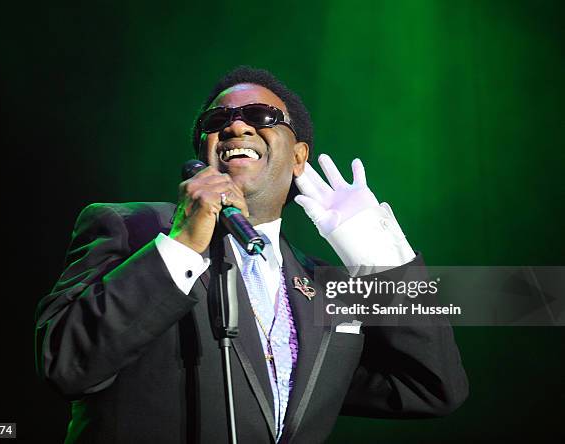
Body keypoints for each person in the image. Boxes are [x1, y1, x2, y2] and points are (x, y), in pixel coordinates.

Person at [35, 66, 468, 443]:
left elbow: (432, 387)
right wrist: (184, 243)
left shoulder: (324, 286)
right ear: (201, 154)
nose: (237, 127)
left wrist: (380, 257)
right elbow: (67, 364)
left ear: (299, 157)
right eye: (218, 119)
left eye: (261, 117)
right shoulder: (130, 228)